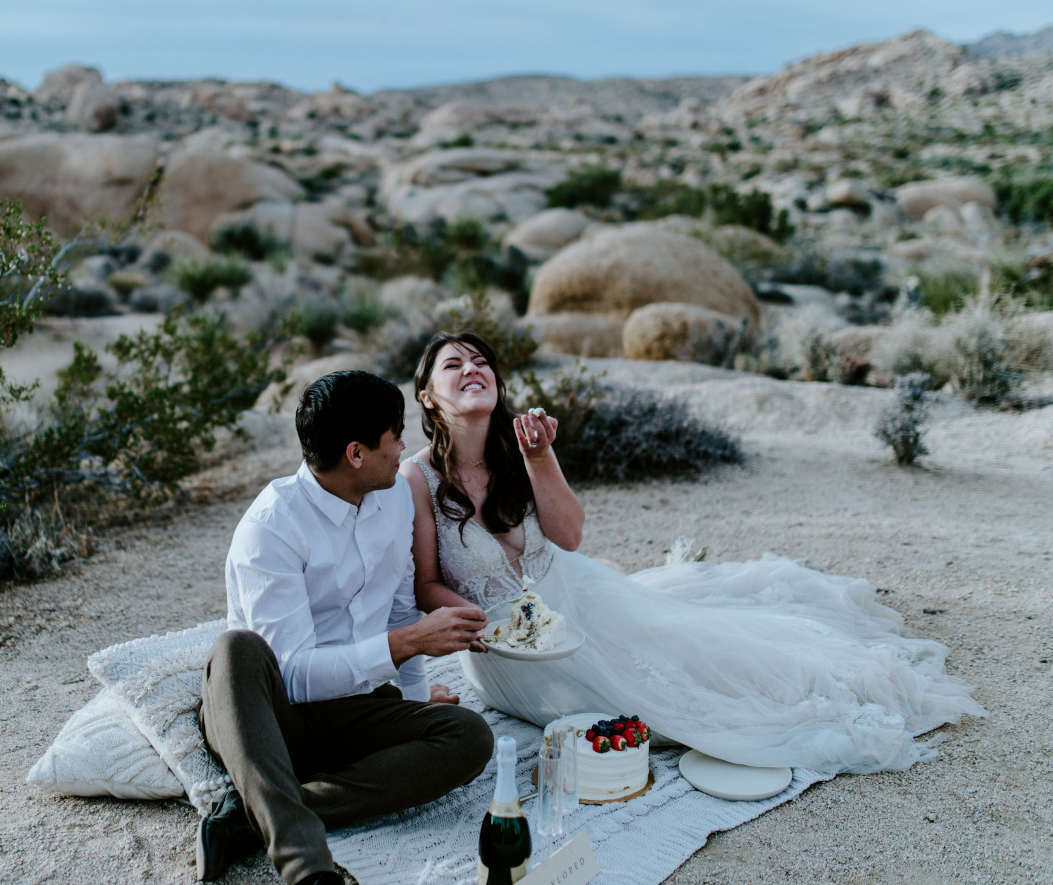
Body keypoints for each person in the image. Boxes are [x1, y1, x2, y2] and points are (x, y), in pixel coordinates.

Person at [400, 330, 985, 774]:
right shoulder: (416, 479)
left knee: (701, 672)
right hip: (503, 652)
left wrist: (540, 457)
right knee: (625, 711)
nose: (473, 369)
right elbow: (426, 582)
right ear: (427, 397)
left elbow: (570, 538)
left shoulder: (522, 448)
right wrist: (471, 621)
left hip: (576, 602)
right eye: (455, 365)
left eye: (481, 362)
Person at [198, 370, 494, 885]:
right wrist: (404, 645)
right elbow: (293, 676)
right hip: (271, 717)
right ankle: (308, 867)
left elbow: (402, 610)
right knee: (235, 649)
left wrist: (414, 699)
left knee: (468, 736)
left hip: (355, 709)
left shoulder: (396, 497)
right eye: (394, 435)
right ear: (355, 454)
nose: (406, 445)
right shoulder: (271, 527)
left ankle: (256, 814)